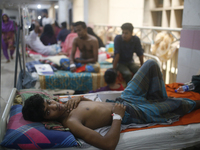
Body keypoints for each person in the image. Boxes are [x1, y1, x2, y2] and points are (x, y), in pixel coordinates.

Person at [22, 59, 200, 150]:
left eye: (49, 102)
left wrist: (81, 99)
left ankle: (158, 98)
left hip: (124, 99)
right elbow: (108, 145)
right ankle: (161, 103)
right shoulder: (71, 123)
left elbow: (93, 109)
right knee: (183, 104)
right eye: (48, 112)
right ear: (46, 120)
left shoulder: (67, 105)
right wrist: (117, 117)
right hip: (133, 111)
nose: (54, 106)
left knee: (151, 64)